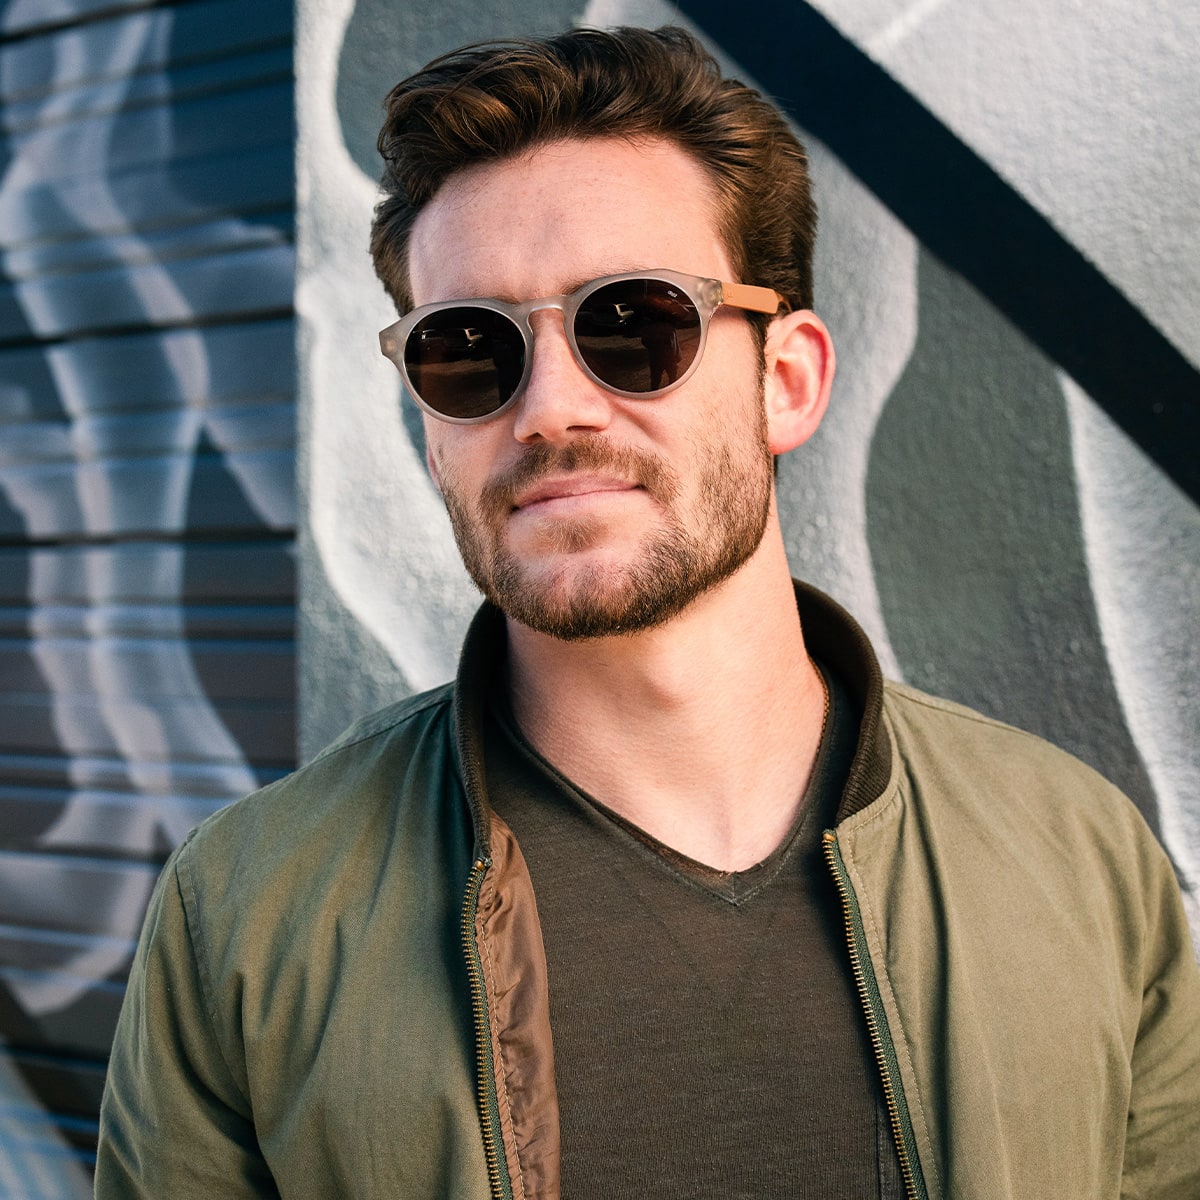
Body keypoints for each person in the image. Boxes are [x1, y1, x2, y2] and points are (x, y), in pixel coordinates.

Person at [95, 25, 1200, 1200]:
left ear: (788, 379)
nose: (552, 409)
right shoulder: (252, 915)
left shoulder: (1079, 861)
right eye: (469, 350)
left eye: (635, 323)